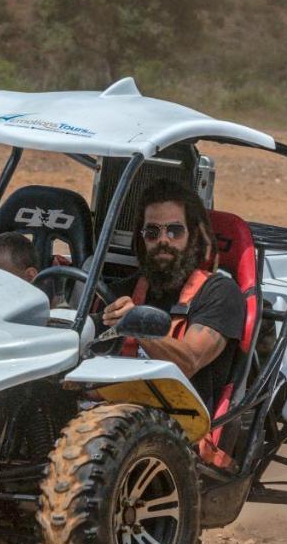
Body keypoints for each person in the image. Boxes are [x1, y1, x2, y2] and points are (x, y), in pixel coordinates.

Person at [102, 178, 244, 417]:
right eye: (152, 232)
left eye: (175, 231)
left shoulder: (220, 293)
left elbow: (188, 362)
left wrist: (137, 324)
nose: (163, 240)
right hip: (109, 416)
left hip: (177, 428)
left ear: (193, 236)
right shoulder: (120, 293)